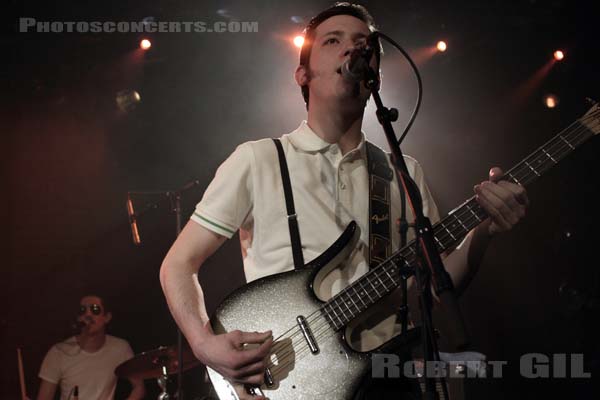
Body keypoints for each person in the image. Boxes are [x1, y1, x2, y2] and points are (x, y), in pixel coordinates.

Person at [159, 2, 529, 399]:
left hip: (388, 383)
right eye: (333, 41)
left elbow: (433, 285)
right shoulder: (259, 159)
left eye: (364, 44)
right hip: (288, 380)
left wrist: (485, 229)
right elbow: (178, 264)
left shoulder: (403, 171)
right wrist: (203, 343)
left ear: (376, 76)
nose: (352, 50)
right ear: (303, 73)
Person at [36, 294, 146, 400]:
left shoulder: (120, 348)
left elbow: (139, 388)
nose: (88, 315)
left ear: (107, 317)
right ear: (78, 318)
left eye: (95, 309)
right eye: (82, 310)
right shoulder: (58, 352)